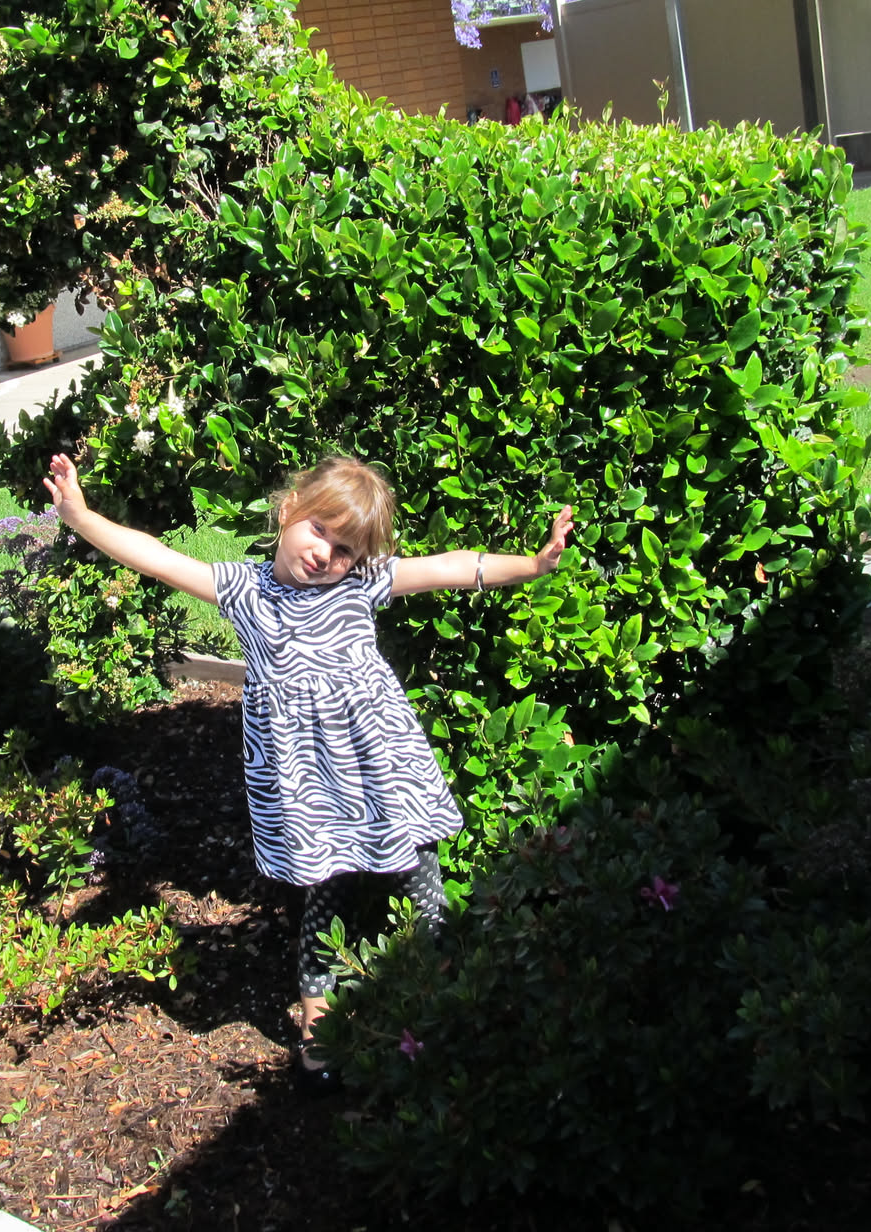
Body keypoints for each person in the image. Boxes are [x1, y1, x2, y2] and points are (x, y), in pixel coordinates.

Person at [42, 452, 577, 1091]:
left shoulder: (362, 585)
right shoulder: (244, 590)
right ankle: (317, 1018)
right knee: (325, 892)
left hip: (380, 767)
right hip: (308, 785)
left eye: (345, 548)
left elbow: (451, 567)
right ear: (289, 509)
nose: (326, 554)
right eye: (320, 530)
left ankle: (446, 990)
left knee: (419, 874)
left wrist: (533, 565)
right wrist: (80, 516)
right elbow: (154, 556)